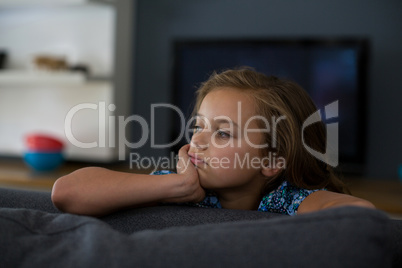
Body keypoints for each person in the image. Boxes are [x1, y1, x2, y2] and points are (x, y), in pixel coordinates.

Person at [51, 68, 375, 217]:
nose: (198, 141)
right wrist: (175, 187)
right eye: (199, 126)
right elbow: (66, 193)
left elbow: (361, 215)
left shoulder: (286, 201)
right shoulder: (179, 187)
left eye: (222, 133)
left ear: (272, 162)